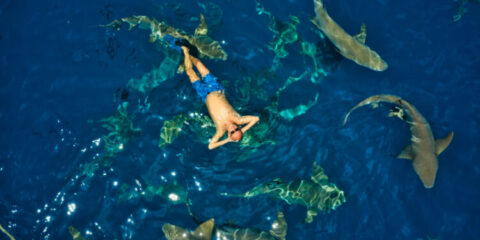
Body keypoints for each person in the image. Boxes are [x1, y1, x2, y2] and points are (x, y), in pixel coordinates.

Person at [177, 42, 259, 150]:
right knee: (199, 64)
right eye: (237, 129)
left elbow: (210, 146)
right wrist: (242, 130)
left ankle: (185, 52)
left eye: (232, 132)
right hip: (215, 88)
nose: (233, 128)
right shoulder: (238, 120)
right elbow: (256, 119)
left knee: (190, 72)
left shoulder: (220, 130)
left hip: (204, 95)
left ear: (229, 134)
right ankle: (190, 52)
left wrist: (228, 140)